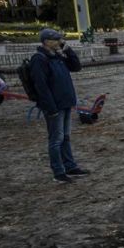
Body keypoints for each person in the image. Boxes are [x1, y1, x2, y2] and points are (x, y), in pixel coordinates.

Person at [30, 28, 88, 183]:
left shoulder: (57, 56)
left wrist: (67, 49)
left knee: (66, 137)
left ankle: (70, 166)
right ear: (46, 41)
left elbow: (76, 67)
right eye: (56, 39)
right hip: (54, 106)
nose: (59, 41)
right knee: (56, 139)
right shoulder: (39, 59)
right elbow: (41, 86)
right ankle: (58, 172)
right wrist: (50, 108)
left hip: (66, 102)